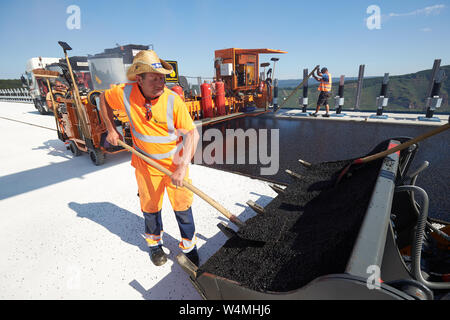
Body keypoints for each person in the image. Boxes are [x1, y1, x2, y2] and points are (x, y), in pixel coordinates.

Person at [98, 50, 200, 267]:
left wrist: (182, 167)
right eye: (153, 78)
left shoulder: (173, 101)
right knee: (150, 209)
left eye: (162, 77)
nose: (160, 82)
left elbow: (192, 133)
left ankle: (189, 248)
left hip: (175, 166)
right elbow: (102, 99)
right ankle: (155, 246)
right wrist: (111, 129)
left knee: (183, 207)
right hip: (145, 165)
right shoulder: (125, 93)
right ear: (139, 79)